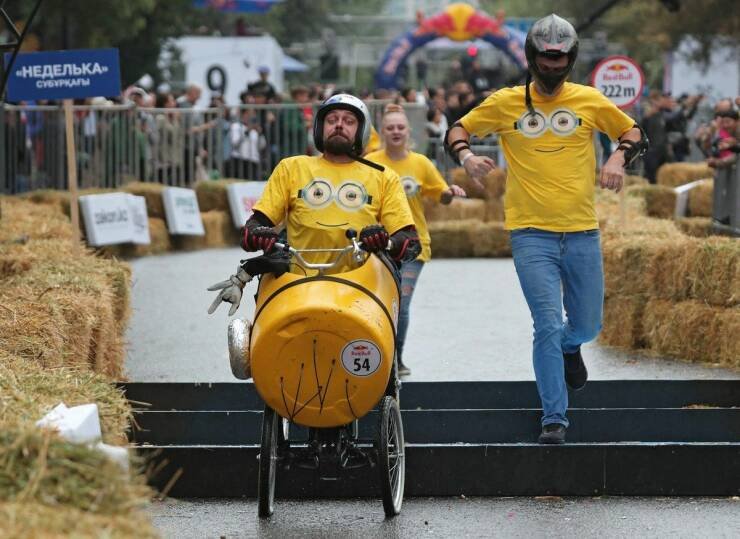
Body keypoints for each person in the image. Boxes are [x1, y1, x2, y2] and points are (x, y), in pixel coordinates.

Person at [445, 14, 647, 445]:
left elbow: (632, 131)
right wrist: (466, 157)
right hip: (530, 234)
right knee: (548, 324)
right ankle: (554, 418)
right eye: (545, 59)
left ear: (570, 59)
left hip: (582, 232)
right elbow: (457, 129)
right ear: (531, 57)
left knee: (587, 326)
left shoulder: (589, 99)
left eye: (559, 59)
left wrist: (617, 157)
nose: (552, 66)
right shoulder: (505, 102)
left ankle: (573, 347)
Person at [209, 94, 422, 330]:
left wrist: (384, 241)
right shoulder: (291, 168)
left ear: (361, 131)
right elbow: (254, 226)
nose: (339, 124)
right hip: (295, 285)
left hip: (360, 288)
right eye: (332, 120)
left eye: (349, 121)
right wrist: (258, 233)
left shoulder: (384, 177)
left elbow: (410, 242)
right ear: (320, 128)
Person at [366, 104, 466, 376]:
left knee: (401, 303)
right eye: (390, 128)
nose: (396, 131)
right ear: (382, 132)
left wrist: (450, 192)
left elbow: (440, 195)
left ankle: (396, 359)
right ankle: (377, 356)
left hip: (412, 246)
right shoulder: (370, 162)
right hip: (376, 246)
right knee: (377, 302)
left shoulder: (421, 163)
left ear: (409, 131)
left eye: (400, 127)